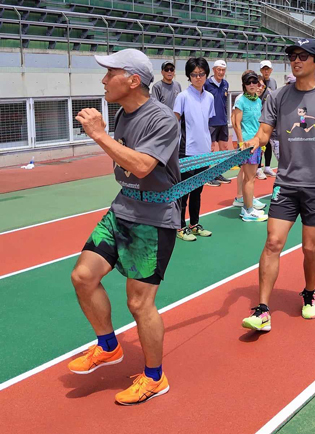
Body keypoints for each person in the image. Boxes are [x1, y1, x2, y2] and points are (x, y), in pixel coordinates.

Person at [68, 49, 179, 405]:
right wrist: (106, 134)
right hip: (122, 208)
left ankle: (154, 378)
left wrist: (99, 135)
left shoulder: (162, 119)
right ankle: (108, 347)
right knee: (83, 276)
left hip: (154, 218)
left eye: (109, 74)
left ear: (132, 80)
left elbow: (144, 166)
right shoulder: (122, 113)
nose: (103, 80)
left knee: (139, 303)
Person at [241, 39, 315, 332]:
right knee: (272, 242)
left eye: (303, 56)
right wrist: (255, 141)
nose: (296, 60)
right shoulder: (279, 97)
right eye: (293, 56)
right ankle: (264, 309)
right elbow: (265, 132)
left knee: (309, 248)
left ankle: (309, 292)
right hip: (286, 183)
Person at [173, 57, 215, 241]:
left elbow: (206, 123)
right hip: (186, 151)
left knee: (198, 190)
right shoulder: (182, 96)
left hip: (204, 152)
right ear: (189, 77)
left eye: (201, 74)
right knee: (184, 191)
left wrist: (210, 145)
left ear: (206, 75)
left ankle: (194, 224)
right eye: (194, 74)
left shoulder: (210, 97)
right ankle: (180, 227)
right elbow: (174, 123)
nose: (198, 77)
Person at [233, 70, 268, 222]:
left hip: (256, 142)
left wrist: (260, 141)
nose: (253, 85)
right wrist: (241, 143)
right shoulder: (241, 100)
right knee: (249, 178)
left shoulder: (257, 100)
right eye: (249, 82)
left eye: (255, 82)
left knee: (251, 177)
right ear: (244, 85)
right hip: (247, 144)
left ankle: (248, 205)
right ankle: (248, 210)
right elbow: (236, 123)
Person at [204, 59, 231, 186]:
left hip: (223, 121)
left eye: (223, 70)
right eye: (219, 69)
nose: (221, 72)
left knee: (224, 148)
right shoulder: (206, 84)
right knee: (210, 149)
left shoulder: (226, 83)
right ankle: (208, 175)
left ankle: (218, 172)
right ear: (214, 70)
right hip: (210, 122)